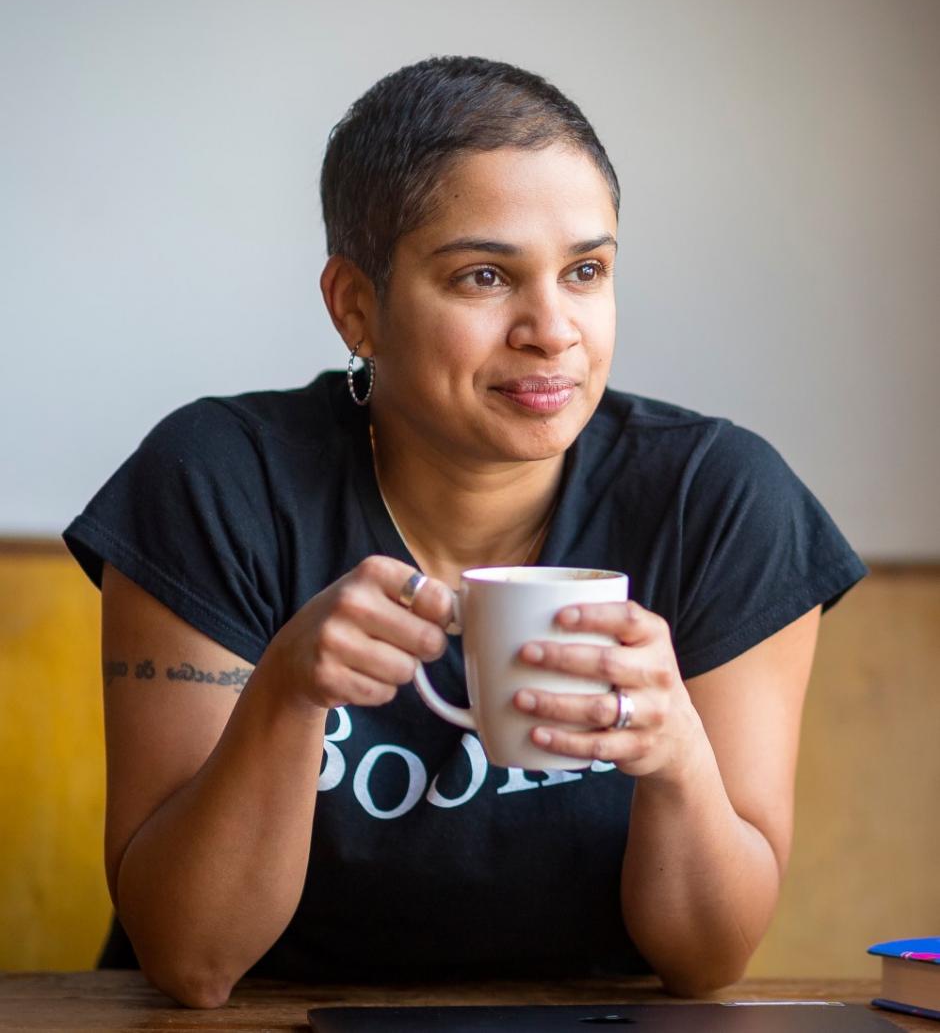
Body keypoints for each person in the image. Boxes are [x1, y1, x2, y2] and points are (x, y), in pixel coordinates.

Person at [64, 55, 866, 1010]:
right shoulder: (216, 483)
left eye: (586, 271)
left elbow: (705, 963)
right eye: (485, 276)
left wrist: (678, 758)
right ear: (357, 306)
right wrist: (285, 691)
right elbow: (192, 962)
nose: (552, 328)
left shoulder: (720, 499)